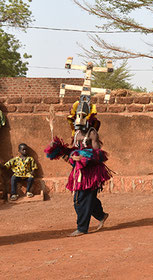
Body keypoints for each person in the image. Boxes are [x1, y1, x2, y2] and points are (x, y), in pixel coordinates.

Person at [45, 99, 111, 236]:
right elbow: (73, 151)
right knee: (86, 199)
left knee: (80, 201)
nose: (79, 118)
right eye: (78, 115)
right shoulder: (76, 133)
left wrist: (84, 157)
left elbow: (98, 155)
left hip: (91, 173)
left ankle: (82, 228)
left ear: (88, 116)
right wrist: (58, 149)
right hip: (79, 172)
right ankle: (101, 215)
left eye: (82, 115)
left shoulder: (92, 133)